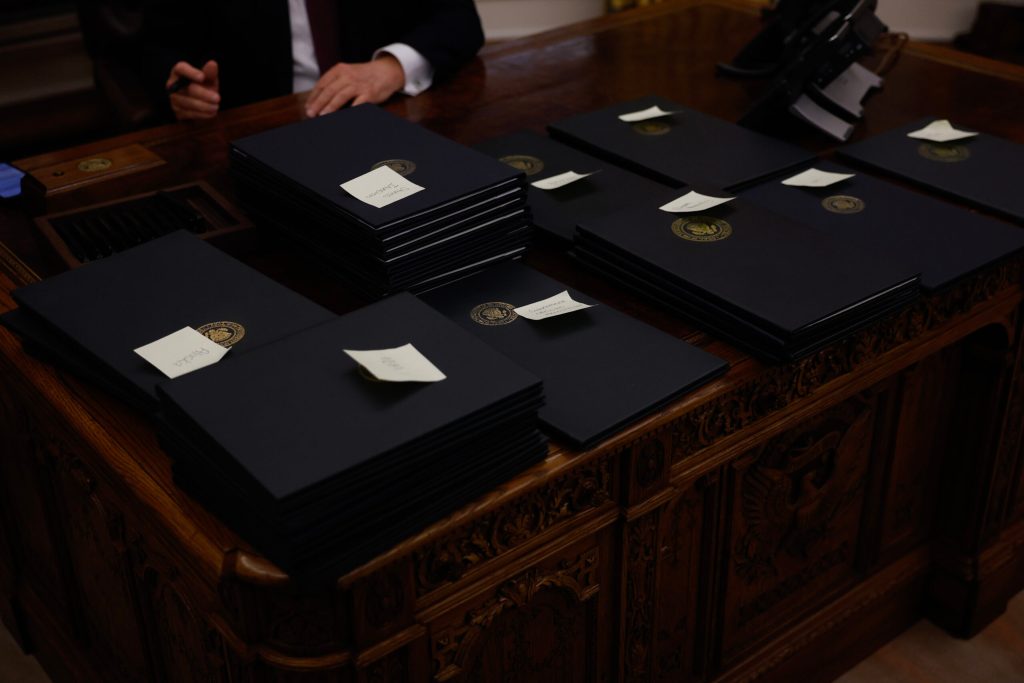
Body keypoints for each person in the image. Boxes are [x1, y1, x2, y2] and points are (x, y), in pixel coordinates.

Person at [141, 0, 485, 121]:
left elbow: (460, 18)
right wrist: (180, 90)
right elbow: (156, 45)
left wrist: (391, 68)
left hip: (385, 115)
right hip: (255, 125)